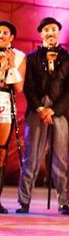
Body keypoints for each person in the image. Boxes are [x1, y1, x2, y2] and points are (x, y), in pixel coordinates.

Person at [17, 17, 69, 215]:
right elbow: (29, 87)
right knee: (31, 157)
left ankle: (64, 202)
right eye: (46, 30)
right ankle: (24, 201)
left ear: (58, 32)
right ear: (41, 34)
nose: (50, 33)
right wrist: (40, 108)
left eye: (53, 29)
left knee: (61, 158)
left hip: (59, 111)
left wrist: (54, 110)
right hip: (36, 111)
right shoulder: (31, 58)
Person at [0, 20, 25, 214]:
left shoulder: (19, 56)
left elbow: (18, 87)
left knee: (1, 152)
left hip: (4, 101)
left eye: (5, 33)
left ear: (12, 37)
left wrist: (10, 66)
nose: (1, 35)